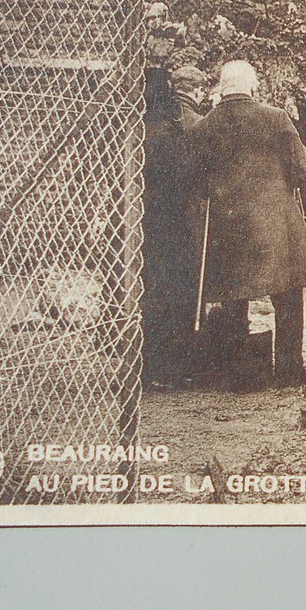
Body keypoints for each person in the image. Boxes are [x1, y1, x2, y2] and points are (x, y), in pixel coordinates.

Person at [188, 60, 306, 390]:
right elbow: (303, 169)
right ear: (253, 87)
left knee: (234, 300)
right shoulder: (276, 118)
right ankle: (289, 368)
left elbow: (196, 182)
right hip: (276, 227)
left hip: (228, 229)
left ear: (220, 88)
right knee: (288, 299)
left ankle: (238, 373)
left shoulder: (204, 127)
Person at [140, 64, 210, 387]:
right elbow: (186, 176)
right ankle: (169, 367)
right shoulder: (171, 132)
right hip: (173, 222)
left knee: (148, 290)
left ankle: (145, 365)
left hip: (142, 223)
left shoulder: (136, 130)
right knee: (174, 293)